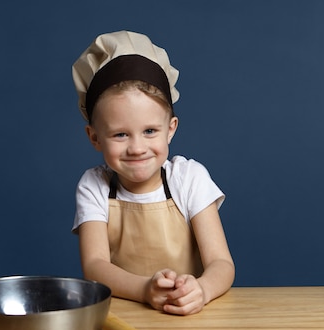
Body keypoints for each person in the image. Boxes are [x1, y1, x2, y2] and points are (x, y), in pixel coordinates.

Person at [71, 31, 235, 315]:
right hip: (125, 317)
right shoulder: (94, 186)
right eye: (120, 134)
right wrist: (145, 290)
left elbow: (222, 264)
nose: (137, 148)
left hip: (188, 315)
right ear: (95, 137)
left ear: (170, 129)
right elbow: (95, 267)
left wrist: (203, 290)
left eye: (150, 131)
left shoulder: (189, 178)